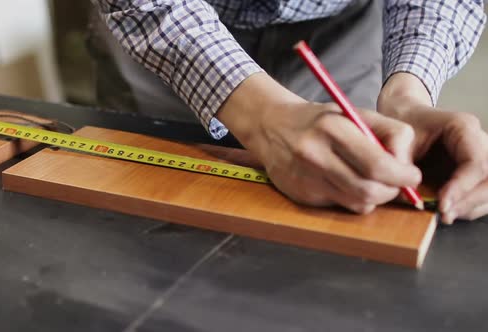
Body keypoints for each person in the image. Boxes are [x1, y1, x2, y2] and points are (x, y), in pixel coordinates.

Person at [93, 0, 487, 224]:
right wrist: (263, 119)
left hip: (344, 32)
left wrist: (407, 95)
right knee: (142, 227)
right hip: (168, 27)